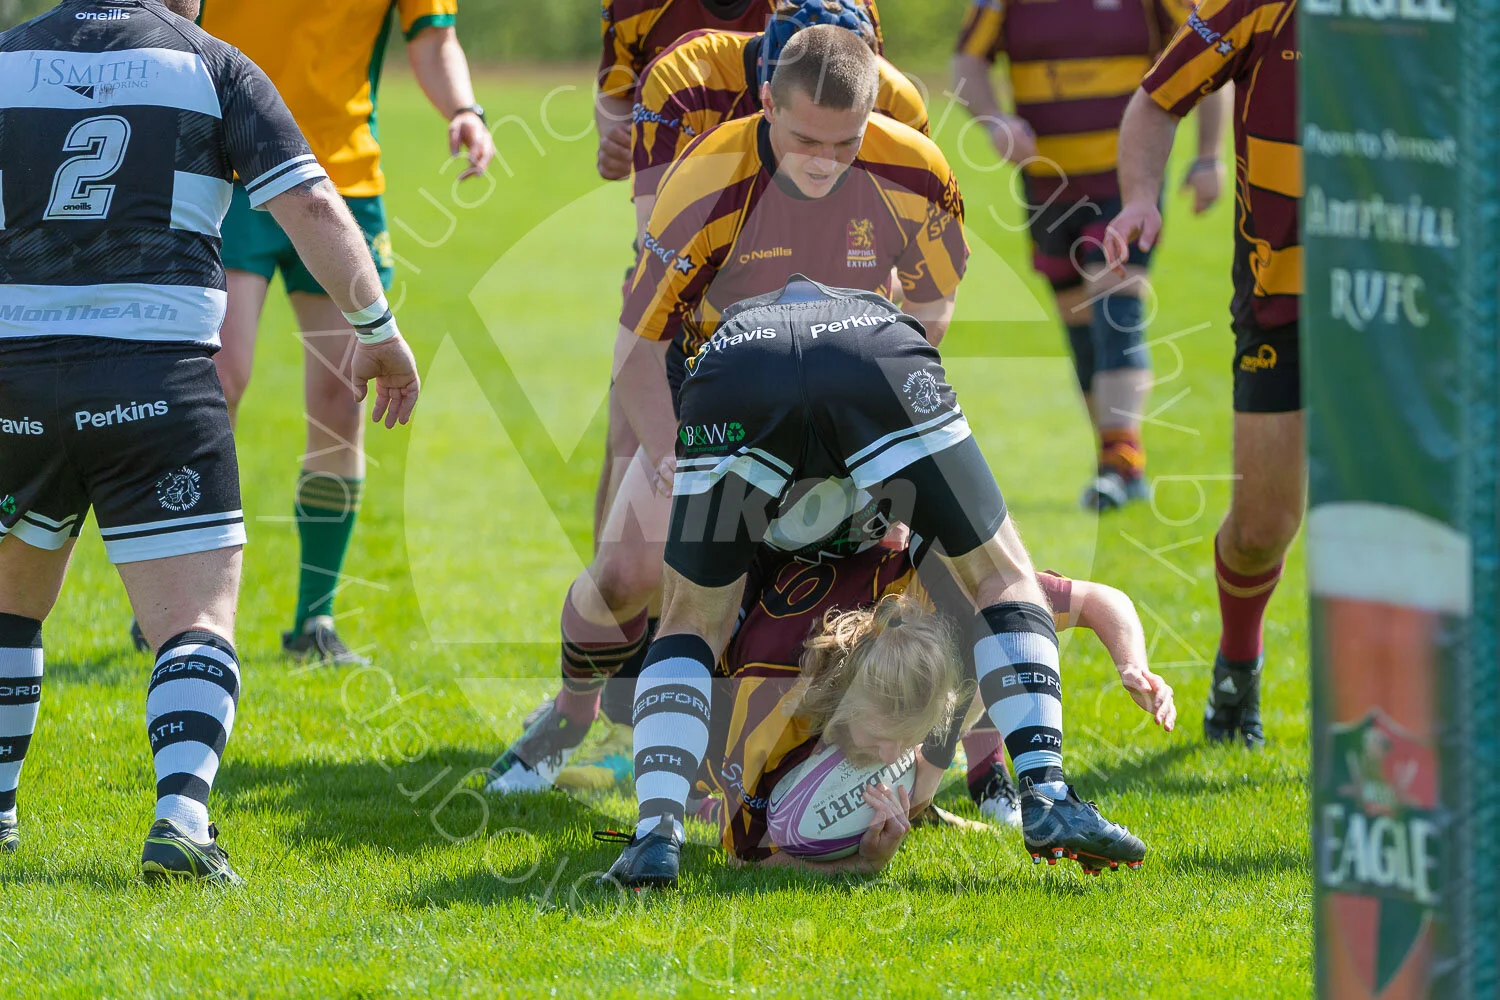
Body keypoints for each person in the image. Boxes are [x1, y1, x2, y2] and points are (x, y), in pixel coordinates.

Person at [486, 26, 967, 797]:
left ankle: (950, 772)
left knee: (925, 570)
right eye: (805, 137)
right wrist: (672, 455)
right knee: (628, 571)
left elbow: (932, 311)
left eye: (843, 144)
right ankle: (570, 717)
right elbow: (637, 344)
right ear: (767, 100)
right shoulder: (707, 174)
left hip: (846, 386)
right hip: (713, 385)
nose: (821, 159)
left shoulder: (910, 157)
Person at [0, 0, 420, 880]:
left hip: (17, 380)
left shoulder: (9, 57)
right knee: (194, 620)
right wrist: (375, 326)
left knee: (9, 607)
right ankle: (182, 821)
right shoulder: (211, 64)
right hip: (155, 381)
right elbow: (307, 200)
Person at [598, 276, 1172, 887]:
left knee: (690, 621)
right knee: (1001, 579)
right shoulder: (914, 584)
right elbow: (1039, 591)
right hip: (871, 350)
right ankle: (1047, 791)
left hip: (737, 362)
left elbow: (751, 847)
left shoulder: (781, 670)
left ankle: (656, 837)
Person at [187, 0, 491, 664]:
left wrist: (466, 111)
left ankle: (314, 622)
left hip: (340, 179)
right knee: (218, 378)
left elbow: (435, 40)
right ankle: (183, 601)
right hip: (224, 164)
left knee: (339, 400)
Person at [705, 538, 1175, 871]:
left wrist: (1132, 665)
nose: (892, 757)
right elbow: (747, 861)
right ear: (845, 702)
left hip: (903, 601)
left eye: (904, 741)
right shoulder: (771, 698)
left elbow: (1101, 599)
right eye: (881, 739)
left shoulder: (941, 594)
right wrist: (862, 864)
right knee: (709, 797)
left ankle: (937, 790)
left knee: (1004, 632)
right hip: (746, 662)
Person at [1103, 0, 1299, 748]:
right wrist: (1141, 199)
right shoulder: (1258, 8)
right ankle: (1237, 667)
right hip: (1287, 299)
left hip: (1421, 306)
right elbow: (1157, 99)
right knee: (1259, 530)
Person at [951, 0, 1227, 512]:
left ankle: (1118, 462)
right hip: (1046, 184)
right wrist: (994, 120)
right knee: (1078, 322)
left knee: (1115, 303)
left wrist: (1208, 156)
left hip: (1127, 180)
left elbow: (1211, 51)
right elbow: (967, 60)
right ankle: (1120, 460)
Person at [595, 0, 882, 183]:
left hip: (817, 185)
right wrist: (620, 143)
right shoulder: (632, 5)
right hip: (691, 188)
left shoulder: (833, 7)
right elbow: (616, 95)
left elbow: (862, 100)